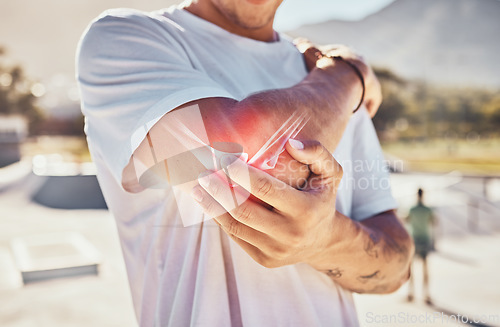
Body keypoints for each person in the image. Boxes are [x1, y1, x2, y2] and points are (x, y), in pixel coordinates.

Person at [76, 0, 414, 325]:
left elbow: (397, 266)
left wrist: (326, 240)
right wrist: (347, 75)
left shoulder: (327, 80)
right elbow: (257, 159)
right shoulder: (126, 38)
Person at [406, 188, 436, 304]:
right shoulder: (428, 210)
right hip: (425, 239)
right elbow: (434, 222)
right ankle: (426, 294)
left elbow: (406, 220)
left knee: (411, 268)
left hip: (414, 240)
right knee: (425, 268)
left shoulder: (412, 209)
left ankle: (411, 293)